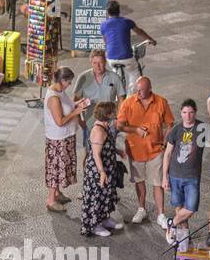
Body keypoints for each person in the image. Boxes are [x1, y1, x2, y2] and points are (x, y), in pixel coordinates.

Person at [116, 76, 174, 227]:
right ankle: (141, 209)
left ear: (150, 89)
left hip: (156, 151)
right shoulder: (128, 103)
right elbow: (119, 125)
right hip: (135, 151)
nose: (138, 93)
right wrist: (135, 129)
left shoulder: (161, 102)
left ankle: (161, 214)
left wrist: (165, 142)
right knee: (139, 182)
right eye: (136, 90)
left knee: (157, 183)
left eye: (141, 90)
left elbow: (170, 124)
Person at [162, 99, 207, 248]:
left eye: (191, 112)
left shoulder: (202, 128)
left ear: (195, 112)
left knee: (191, 208)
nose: (188, 116)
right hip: (175, 175)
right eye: (184, 112)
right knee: (179, 208)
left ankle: (171, 223)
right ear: (181, 113)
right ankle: (184, 239)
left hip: (192, 176)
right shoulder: (176, 130)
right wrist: (165, 177)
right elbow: (167, 154)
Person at [43, 66, 86, 214]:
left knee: (62, 168)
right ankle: (50, 200)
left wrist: (77, 104)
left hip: (66, 138)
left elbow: (67, 106)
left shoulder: (60, 91)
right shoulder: (54, 98)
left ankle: (57, 193)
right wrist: (75, 112)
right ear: (62, 80)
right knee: (56, 169)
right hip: (58, 141)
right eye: (69, 81)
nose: (70, 84)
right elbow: (60, 121)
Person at [80, 100, 122, 238]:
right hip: (98, 170)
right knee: (97, 196)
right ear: (108, 115)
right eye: (113, 112)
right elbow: (96, 154)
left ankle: (104, 218)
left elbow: (105, 146)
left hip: (107, 167)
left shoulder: (104, 127)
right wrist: (102, 172)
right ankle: (95, 225)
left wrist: (117, 151)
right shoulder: (98, 131)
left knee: (105, 195)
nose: (115, 113)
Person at [73, 49, 125, 148]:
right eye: (95, 63)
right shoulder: (83, 78)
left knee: (109, 152)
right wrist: (80, 121)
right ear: (91, 63)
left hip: (110, 124)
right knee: (90, 155)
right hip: (90, 123)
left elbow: (121, 98)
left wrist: (118, 118)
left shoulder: (114, 77)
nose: (98, 66)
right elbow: (75, 101)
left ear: (105, 62)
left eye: (101, 62)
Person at [100, 0, 156, 91]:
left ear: (107, 12)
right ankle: (131, 94)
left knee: (114, 70)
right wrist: (151, 39)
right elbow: (140, 32)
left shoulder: (103, 25)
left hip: (111, 58)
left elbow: (105, 41)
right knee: (134, 72)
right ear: (119, 10)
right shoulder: (127, 22)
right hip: (126, 57)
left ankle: (115, 89)